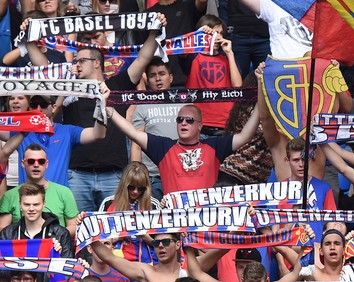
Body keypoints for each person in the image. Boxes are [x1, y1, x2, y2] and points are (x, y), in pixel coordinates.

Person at [23, 13, 167, 212]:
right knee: (79, 231)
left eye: (81, 61)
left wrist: (155, 30)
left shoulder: (117, 85)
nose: (76, 65)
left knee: (111, 233)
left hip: (113, 174)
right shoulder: (70, 87)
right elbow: (43, 68)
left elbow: (144, 57)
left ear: (97, 63)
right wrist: (29, 35)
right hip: (77, 175)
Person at [106, 101, 260, 194]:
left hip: (205, 219)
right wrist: (108, 109)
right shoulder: (163, 146)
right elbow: (133, 133)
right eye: (180, 120)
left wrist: (260, 102)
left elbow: (244, 136)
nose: (183, 123)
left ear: (200, 125)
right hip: (175, 221)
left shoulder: (215, 146)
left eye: (189, 120)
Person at [129, 58, 186, 199]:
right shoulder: (141, 106)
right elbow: (136, 145)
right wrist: (137, 176)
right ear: (147, 80)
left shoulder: (185, 104)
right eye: (153, 75)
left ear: (171, 77)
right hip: (152, 177)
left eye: (162, 74)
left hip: (181, 173)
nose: (158, 79)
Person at [0, 143, 79, 237]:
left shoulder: (64, 192)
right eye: (31, 161)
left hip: (56, 248)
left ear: (46, 164)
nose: (36, 165)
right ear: (23, 163)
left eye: (41, 161)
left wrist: (52, 237)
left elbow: (74, 226)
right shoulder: (9, 195)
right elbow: (3, 232)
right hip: (20, 249)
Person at [0, 182, 74, 258]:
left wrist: (59, 257)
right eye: (27, 204)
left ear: (44, 204)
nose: (31, 209)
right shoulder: (7, 233)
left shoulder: (60, 233)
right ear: (20, 204)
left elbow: (68, 267)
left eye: (36, 204)